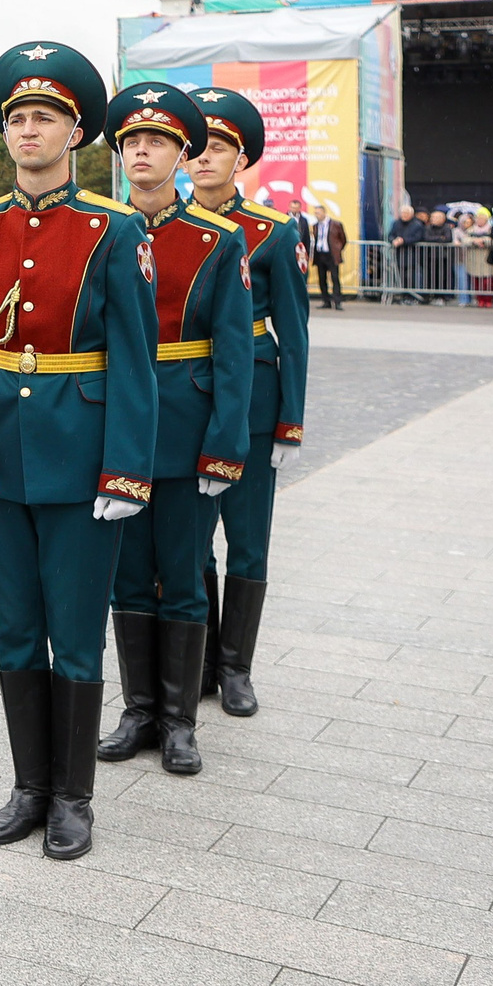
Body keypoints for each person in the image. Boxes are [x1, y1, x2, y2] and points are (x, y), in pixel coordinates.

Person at [0, 42, 155, 862]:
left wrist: (127, 468)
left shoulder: (115, 229)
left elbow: (134, 357)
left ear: (76, 132)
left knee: (76, 634)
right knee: (17, 628)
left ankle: (74, 797)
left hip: (84, 454)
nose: (28, 129)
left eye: (44, 117)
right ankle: (27, 787)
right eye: (17, 117)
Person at [96, 82, 249, 780]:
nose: (140, 151)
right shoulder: (104, 230)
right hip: (119, 428)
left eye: (155, 140)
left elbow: (234, 353)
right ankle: (138, 709)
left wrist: (225, 444)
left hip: (186, 426)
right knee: (126, 574)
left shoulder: (219, 238)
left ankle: (182, 720)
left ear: (182, 153)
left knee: (183, 572)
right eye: (130, 141)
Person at [178, 88, 306, 720]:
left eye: (218, 147)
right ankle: (199, 661)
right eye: (194, 148)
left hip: (254, 401)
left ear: (241, 159)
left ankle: (236, 668)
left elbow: (296, 332)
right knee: (192, 542)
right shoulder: (158, 228)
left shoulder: (274, 234)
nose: (203, 158)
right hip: (185, 400)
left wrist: (291, 422)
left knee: (247, 541)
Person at [311, 210, 346, 309]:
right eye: (316, 213)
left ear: (324, 213)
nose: (317, 215)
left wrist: (338, 249)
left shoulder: (335, 224)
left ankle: (337, 302)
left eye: (318, 213)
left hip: (331, 255)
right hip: (320, 254)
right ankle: (326, 301)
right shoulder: (316, 226)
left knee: (335, 278)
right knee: (322, 279)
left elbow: (343, 239)